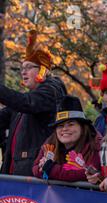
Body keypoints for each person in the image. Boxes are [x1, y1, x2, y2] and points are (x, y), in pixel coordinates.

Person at [0, 30, 67, 176]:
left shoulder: (52, 90)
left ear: (43, 70)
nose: (23, 72)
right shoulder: (26, 98)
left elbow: (27, 103)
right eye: (22, 68)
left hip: (34, 175)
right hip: (13, 173)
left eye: (29, 67)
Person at [32, 96, 101, 182]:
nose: (64, 129)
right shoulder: (50, 143)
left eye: (71, 124)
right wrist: (42, 167)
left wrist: (50, 169)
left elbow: (86, 173)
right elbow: (35, 169)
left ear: (82, 127)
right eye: (60, 125)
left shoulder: (95, 143)